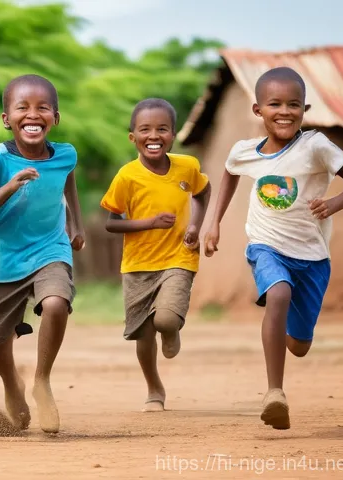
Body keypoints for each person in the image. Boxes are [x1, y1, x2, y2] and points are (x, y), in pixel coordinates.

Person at [204, 67, 343, 430]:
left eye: (294, 104)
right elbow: (228, 173)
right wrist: (214, 222)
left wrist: (332, 204)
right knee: (277, 294)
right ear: (258, 110)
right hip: (266, 246)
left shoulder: (316, 146)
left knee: (300, 345)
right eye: (275, 104)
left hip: (312, 257)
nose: (285, 111)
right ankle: (275, 392)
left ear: (305, 109)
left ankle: (290, 334)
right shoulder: (245, 151)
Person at [0, 74, 85, 434]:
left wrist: (75, 221)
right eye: (23, 108)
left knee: (56, 302)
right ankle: (11, 384)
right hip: (4, 258)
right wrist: (10, 186)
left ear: (55, 117)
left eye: (42, 108)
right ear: (7, 119)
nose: (33, 115)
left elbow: (68, 178)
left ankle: (41, 380)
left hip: (50, 246)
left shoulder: (66, 154)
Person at [101, 98, 211, 413]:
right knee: (143, 334)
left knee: (163, 319)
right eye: (145, 129)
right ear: (132, 137)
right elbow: (112, 222)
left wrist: (194, 225)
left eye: (162, 129)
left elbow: (203, 192)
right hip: (137, 265)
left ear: (173, 134)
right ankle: (154, 388)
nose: (154, 136)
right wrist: (149, 223)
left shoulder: (187, 166)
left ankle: (171, 328)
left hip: (179, 256)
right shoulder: (126, 176)